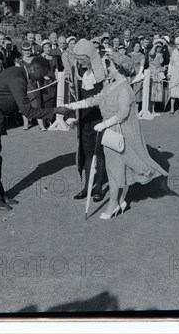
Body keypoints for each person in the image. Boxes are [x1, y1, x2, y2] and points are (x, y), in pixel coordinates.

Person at [65, 52, 168, 219]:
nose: (108, 68)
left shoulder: (125, 88)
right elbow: (96, 99)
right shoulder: (112, 84)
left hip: (120, 132)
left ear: (119, 68)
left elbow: (122, 114)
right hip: (110, 131)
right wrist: (73, 105)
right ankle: (120, 201)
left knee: (114, 170)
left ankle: (112, 204)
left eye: (110, 65)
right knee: (115, 168)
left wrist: (103, 124)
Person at [0, 57, 70, 211]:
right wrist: (55, 111)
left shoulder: (16, 71)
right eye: (41, 76)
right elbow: (27, 111)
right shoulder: (19, 79)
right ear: (35, 69)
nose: (40, 80)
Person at [70, 39, 108, 202]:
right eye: (78, 59)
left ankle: (98, 187)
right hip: (85, 116)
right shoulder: (83, 72)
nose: (79, 62)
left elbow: (102, 99)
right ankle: (87, 187)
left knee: (99, 152)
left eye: (81, 59)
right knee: (87, 151)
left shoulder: (100, 73)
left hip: (99, 117)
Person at [148, 39, 166, 114]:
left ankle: (153, 109)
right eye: (158, 46)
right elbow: (151, 53)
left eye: (160, 46)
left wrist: (163, 68)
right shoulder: (153, 53)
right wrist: (155, 45)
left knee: (156, 92)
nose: (159, 48)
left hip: (159, 73)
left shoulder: (161, 54)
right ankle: (150, 109)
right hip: (153, 73)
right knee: (152, 91)